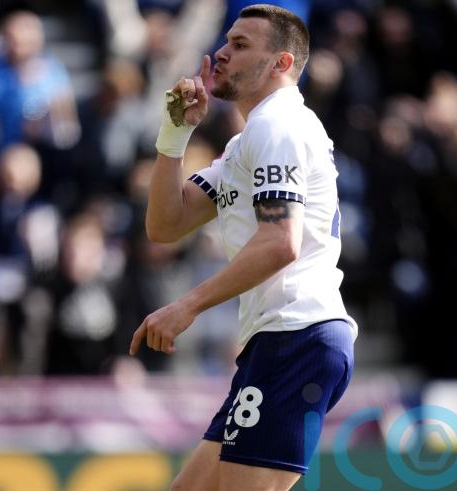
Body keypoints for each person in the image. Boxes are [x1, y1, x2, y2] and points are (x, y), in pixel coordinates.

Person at [128, 5, 357, 490]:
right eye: (226, 41)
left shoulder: (280, 125)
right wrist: (175, 134)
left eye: (240, 45)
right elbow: (166, 225)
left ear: (282, 63)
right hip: (279, 339)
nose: (221, 53)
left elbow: (280, 243)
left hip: (296, 334)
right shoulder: (245, 143)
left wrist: (187, 306)